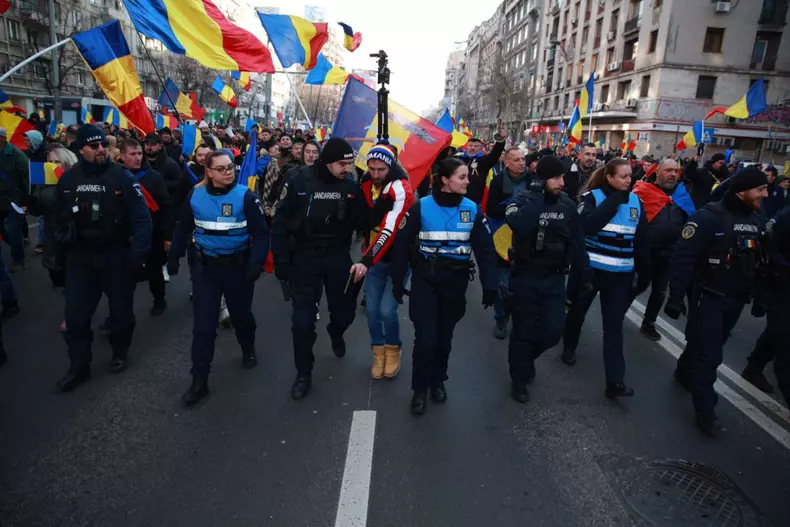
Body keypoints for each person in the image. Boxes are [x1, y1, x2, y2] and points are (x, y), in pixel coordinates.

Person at [390, 158, 498, 415]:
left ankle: (438, 380)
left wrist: (490, 284)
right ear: (445, 180)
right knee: (426, 338)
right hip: (426, 280)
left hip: (455, 282)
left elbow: (485, 250)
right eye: (462, 177)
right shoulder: (421, 207)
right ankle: (419, 389)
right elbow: (403, 243)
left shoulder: (472, 210)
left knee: (443, 339)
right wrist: (397, 278)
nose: (467, 181)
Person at [665, 167, 768, 435]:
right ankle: (706, 410)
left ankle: (684, 370)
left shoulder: (757, 220)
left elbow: (760, 262)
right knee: (709, 356)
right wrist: (675, 296)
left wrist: (760, 297)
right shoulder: (708, 217)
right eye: (760, 189)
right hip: (709, 296)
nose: (765, 194)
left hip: (736, 300)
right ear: (743, 191)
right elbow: (683, 257)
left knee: (707, 345)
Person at [51, 125, 152, 392]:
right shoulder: (69, 180)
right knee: (75, 316)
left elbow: (142, 218)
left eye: (103, 146)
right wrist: (55, 253)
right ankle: (78, 366)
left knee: (120, 310)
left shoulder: (122, 177)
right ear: (81, 149)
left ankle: (120, 352)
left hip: (115, 255)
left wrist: (138, 254)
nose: (100, 150)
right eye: (93, 146)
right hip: (80, 257)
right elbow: (57, 218)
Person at [168, 150, 268, 405]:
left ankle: (248, 348)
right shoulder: (195, 195)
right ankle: (199, 381)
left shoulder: (245, 197)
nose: (228, 172)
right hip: (206, 270)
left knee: (241, 317)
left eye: (231, 167)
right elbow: (183, 227)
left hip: (238, 269)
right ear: (209, 171)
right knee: (203, 327)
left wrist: (256, 264)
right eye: (221, 169)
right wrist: (174, 256)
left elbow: (261, 234)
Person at [271, 138, 367, 400]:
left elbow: (365, 221)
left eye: (350, 163)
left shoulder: (350, 186)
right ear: (326, 161)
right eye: (342, 164)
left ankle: (336, 331)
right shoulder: (299, 180)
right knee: (301, 323)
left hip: (338, 258)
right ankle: (304, 373)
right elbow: (279, 222)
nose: (347, 168)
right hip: (305, 258)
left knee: (344, 313)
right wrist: (280, 260)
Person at [562, 158, 650, 398]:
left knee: (614, 327)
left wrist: (644, 274)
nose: (628, 180)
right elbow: (588, 227)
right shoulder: (592, 198)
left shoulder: (636, 202)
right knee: (577, 312)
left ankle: (615, 380)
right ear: (609, 177)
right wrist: (613, 202)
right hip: (591, 271)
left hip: (620, 275)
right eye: (622, 176)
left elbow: (641, 241)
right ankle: (569, 346)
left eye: (630, 176)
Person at [505, 155, 586, 402]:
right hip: (525, 278)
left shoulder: (568, 205)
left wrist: (584, 274)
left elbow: (577, 243)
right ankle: (519, 379)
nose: (562, 182)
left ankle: (526, 358)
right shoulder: (521, 202)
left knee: (552, 332)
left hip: (553, 280)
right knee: (523, 332)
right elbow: (520, 226)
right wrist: (538, 196)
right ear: (542, 179)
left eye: (563, 176)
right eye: (556, 177)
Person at [354, 143, 415, 379]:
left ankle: (393, 350)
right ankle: (378, 352)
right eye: (372, 169)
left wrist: (366, 260)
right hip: (375, 257)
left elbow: (388, 230)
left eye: (381, 169)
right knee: (371, 310)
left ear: (390, 166)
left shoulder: (401, 189)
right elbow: (367, 219)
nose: (376, 174)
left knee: (387, 310)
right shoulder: (367, 184)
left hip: (398, 258)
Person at [630, 158, 695, 340]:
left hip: (669, 253)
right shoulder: (642, 192)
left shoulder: (682, 195)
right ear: (657, 172)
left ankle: (649, 322)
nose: (673, 174)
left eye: (676, 171)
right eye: (668, 170)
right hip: (645, 251)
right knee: (637, 285)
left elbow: (690, 220)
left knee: (660, 290)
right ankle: (618, 313)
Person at [27, 145, 78, 331]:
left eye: (57, 162)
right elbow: (38, 210)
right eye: (50, 162)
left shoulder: (74, 183)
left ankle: (71, 316)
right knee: (58, 277)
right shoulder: (43, 184)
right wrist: (30, 202)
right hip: (52, 238)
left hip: (71, 239)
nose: (52, 165)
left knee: (72, 282)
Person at [119, 138, 172, 315]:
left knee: (154, 270)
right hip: (124, 234)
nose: (137, 158)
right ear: (122, 156)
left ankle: (159, 300)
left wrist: (167, 236)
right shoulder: (116, 176)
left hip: (152, 232)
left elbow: (165, 207)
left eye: (139, 153)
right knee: (121, 277)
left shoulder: (154, 177)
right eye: (132, 154)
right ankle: (118, 313)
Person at [485, 147, 530, 339]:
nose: (522, 163)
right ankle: (501, 317)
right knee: (503, 283)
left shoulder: (532, 180)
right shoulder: (498, 181)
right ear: (507, 163)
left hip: (526, 238)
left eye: (523, 159)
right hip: (503, 238)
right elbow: (491, 209)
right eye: (517, 160)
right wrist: (512, 206)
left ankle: (520, 317)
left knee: (523, 283)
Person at [0, 127, 30, 272]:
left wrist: (27, 201)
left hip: (15, 199)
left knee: (13, 229)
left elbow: (26, 179)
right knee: (5, 232)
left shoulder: (17, 155)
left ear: (3, 138)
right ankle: (17, 243)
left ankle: (18, 260)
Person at [458, 123, 506, 205]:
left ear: (481, 148)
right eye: (470, 145)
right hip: (456, 198)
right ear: (466, 147)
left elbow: (495, 154)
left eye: (476, 146)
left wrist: (500, 142)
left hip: (474, 201)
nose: (472, 148)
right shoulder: (458, 159)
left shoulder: (484, 161)